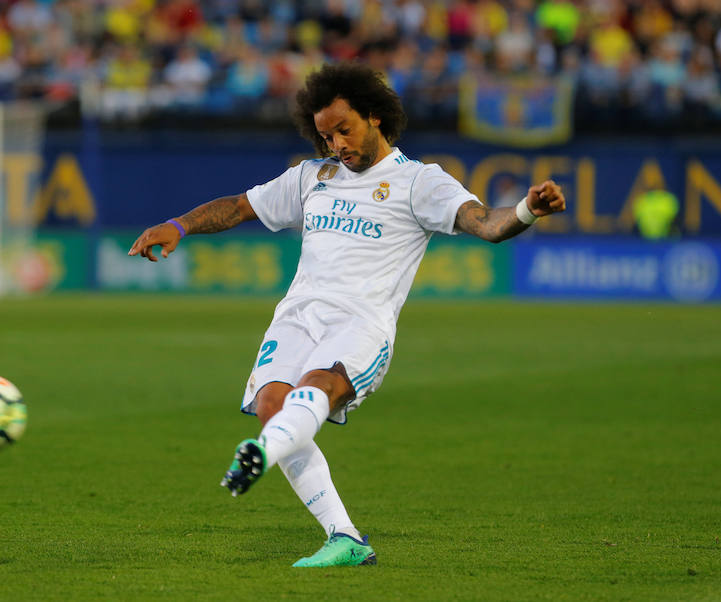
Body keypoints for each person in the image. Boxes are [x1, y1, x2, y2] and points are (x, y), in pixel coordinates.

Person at [129, 62, 566, 568]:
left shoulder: (418, 183)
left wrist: (528, 210)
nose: (336, 144)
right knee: (275, 405)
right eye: (326, 135)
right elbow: (240, 206)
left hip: (360, 324)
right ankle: (345, 538)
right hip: (296, 317)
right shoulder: (313, 177)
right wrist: (177, 226)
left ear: (376, 117)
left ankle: (260, 456)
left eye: (344, 129)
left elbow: (487, 224)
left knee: (317, 386)